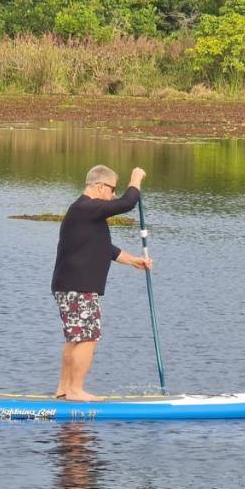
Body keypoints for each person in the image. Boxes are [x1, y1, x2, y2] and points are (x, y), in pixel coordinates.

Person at [51, 165, 152, 402]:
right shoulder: (86, 207)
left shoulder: (86, 213)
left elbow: (104, 248)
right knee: (88, 337)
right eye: (112, 189)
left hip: (71, 284)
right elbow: (127, 203)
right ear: (99, 186)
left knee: (75, 338)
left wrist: (133, 261)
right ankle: (75, 391)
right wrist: (136, 179)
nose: (114, 195)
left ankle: (64, 389)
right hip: (79, 286)